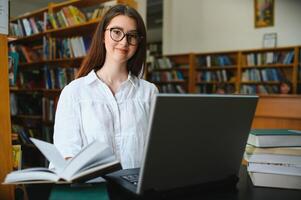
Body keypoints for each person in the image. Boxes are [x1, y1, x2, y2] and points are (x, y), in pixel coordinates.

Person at [52, 5, 158, 169]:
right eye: (116, 32)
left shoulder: (149, 92)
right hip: (93, 190)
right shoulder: (74, 92)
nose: (124, 41)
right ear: (103, 35)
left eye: (132, 36)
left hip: (138, 191)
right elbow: (65, 153)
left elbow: (157, 151)